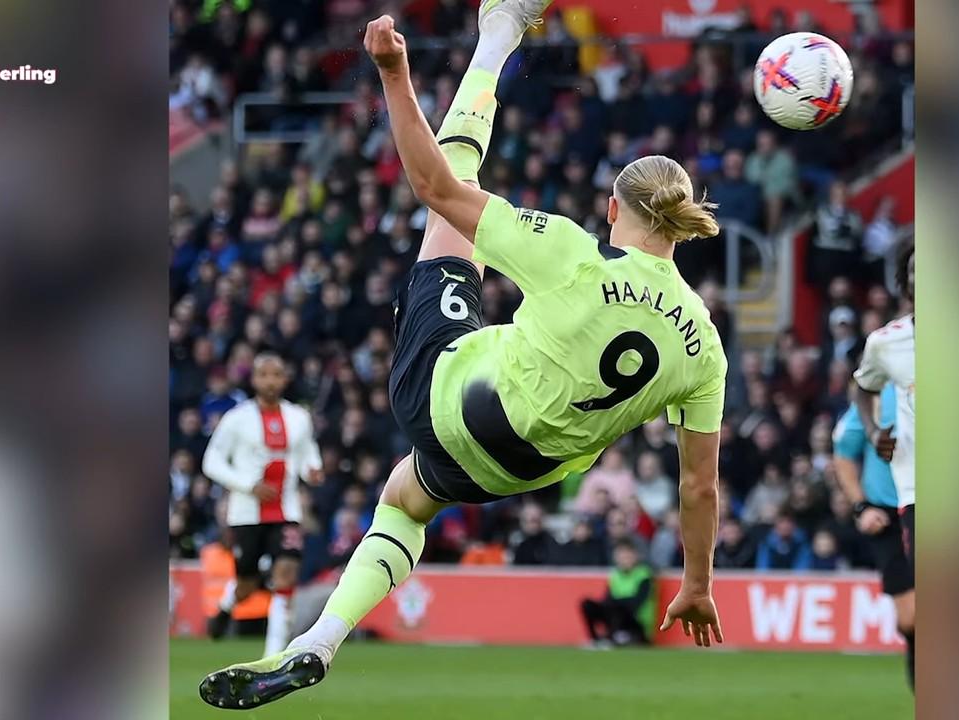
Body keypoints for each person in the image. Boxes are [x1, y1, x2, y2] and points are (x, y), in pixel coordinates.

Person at [199, 4, 727, 710]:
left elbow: (435, 188)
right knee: (404, 500)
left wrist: (394, 75)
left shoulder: (577, 254)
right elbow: (698, 488)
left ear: (612, 209)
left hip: (447, 394)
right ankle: (318, 640)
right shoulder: (705, 343)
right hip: (514, 472)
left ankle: (497, 34)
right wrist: (697, 583)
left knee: (452, 202)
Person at [201, 353, 325, 657]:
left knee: (286, 575)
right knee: (248, 583)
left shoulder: (299, 417)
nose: (270, 381)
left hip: (288, 510)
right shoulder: (236, 419)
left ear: (285, 379)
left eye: (276, 375)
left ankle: (272, 657)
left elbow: (308, 450)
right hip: (246, 514)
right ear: (254, 380)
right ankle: (226, 606)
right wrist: (248, 485)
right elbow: (211, 461)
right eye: (264, 375)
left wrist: (313, 468)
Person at [851, 243, 915, 684]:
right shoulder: (887, 343)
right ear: (905, 283)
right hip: (917, 493)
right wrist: (875, 433)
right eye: (916, 270)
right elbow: (863, 389)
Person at [834, 381, 915, 689]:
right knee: (911, 618)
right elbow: (843, 454)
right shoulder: (878, 399)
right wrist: (861, 507)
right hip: (889, 516)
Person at [579, 540, 657, 647]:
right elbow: (607, 600)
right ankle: (595, 639)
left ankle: (612, 638)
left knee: (618, 607)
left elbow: (637, 603)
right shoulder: (615, 576)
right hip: (616, 618)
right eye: (621, 556)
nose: (625, 559)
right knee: (587, 604)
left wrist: (616, 602)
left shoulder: (644, 575)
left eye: (627, 556)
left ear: (635, 556)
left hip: (637, 623)